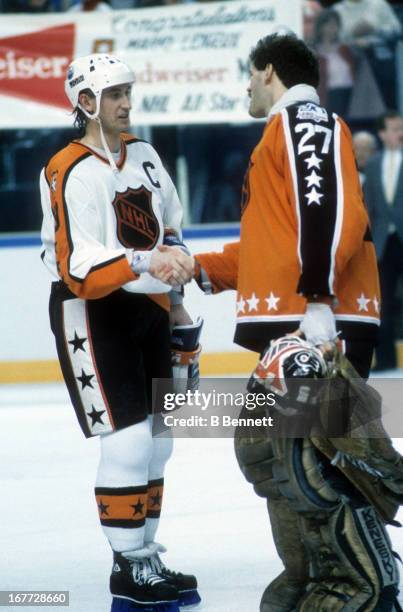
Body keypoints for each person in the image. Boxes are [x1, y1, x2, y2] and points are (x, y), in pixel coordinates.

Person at [193, 34, 400, 611]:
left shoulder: (303, 120)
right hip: (301, 327)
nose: (246, 87)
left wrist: (316, 298)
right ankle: (317, 581)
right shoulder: (288, 131)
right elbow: (275, 242)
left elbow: (331, 210)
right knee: (272, 456)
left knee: (316, 468)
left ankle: (363, 589)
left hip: (313, 330)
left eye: (249, 75)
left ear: (268, 72)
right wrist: (200, 267)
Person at [39, 53, 199, 612]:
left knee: (159, 440)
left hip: (149, 305)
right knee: (128, 439)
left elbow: (170, 225)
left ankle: (145, 553)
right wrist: (143, 264)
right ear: (85, 103)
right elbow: (78, 268)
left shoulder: (148, 155)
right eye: (114, 95)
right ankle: (128, 565)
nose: (127, 103)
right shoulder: (68, 168)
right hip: (93, 312)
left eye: (127, 92)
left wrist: (174, 290)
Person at [364, 110, 403, 371]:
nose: (399, 133)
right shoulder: (373, 164)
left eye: (401, 128)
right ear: (381, 133)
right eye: (393, 128)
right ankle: (386, 358)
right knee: (384, 302)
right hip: (382, 241)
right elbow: (368, 207)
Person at [313, 9, 356, 117]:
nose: (333, 28)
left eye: (335, 25)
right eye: (329, 25)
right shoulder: (313, 51)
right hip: (326, 96)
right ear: (321, 27)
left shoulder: (346, 49)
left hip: (349, 95)